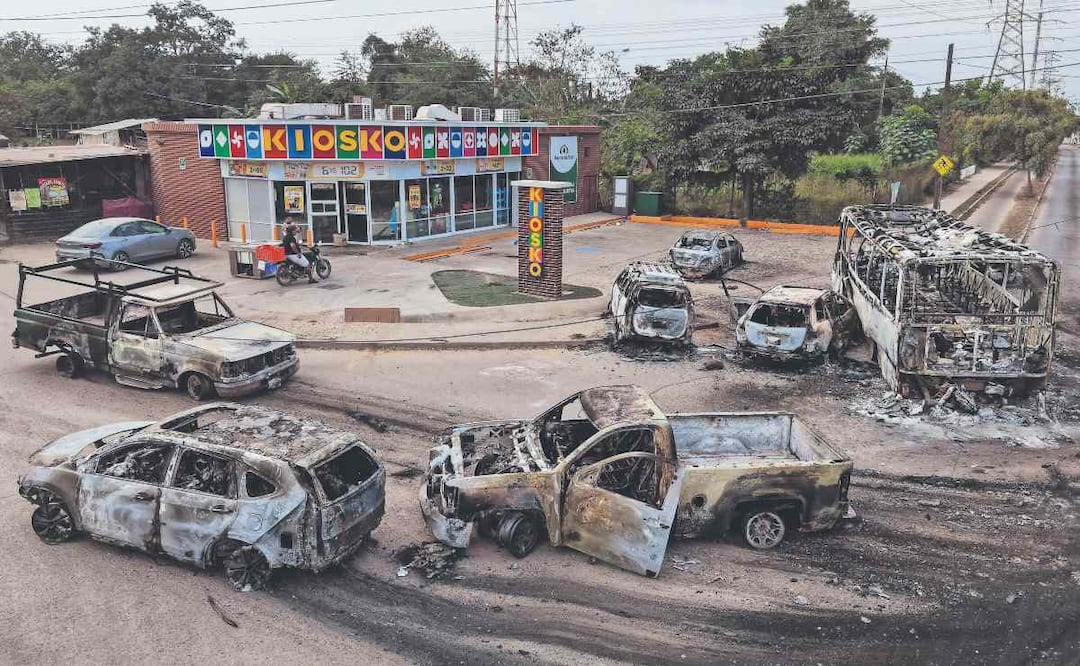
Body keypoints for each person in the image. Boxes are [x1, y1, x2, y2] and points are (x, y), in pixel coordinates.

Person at [281, 217, 317, 283]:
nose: (296, 231)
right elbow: (292, 246)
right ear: (292, 231)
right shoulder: (291, 237)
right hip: (293, 254)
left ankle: (298, 273)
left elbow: (292, 244)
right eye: (295, 230)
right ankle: (311, 279)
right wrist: (298, 253)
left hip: (287, 254)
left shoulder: (285, 237)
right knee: (307, 264)